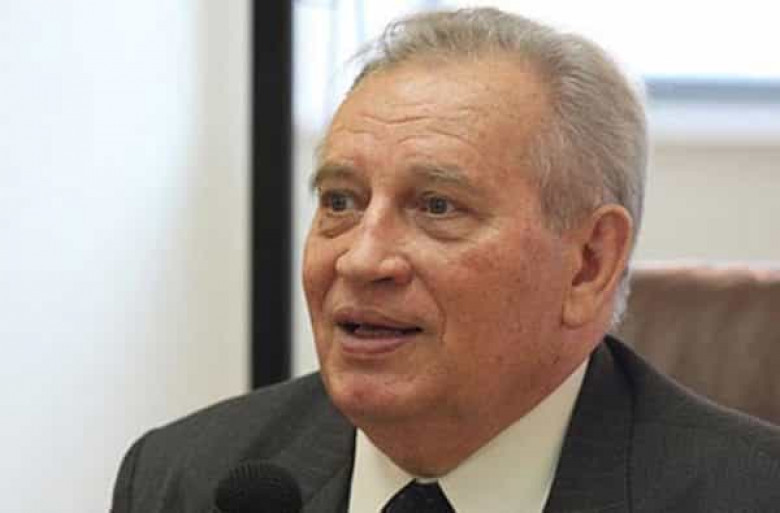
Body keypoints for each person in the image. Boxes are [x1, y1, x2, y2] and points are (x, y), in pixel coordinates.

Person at [111, 8, 780, 513]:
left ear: (588, 264)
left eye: (436, 206)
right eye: (340, 201)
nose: (362, 259)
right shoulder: (185, 479)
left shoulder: (747, 494)